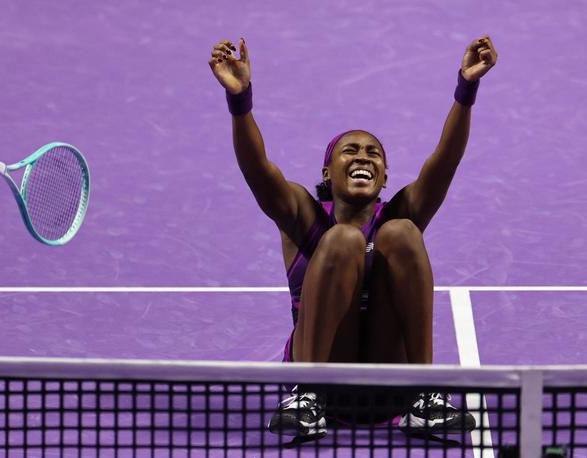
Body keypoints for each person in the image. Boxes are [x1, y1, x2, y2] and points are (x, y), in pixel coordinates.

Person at [208, 35, 498, 440]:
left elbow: (444, 162)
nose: (363, 157)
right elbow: (258, 168)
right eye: (350, 151)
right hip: (326, 382)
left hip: (388, 384)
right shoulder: (302, 215)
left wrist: (466, 89)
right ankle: (306, 396)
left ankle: (424, 395)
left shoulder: (398, 214)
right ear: (327, 172)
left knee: (402, 233)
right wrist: (240, 102)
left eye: (373, 153)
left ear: (384, 177)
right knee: (343, 240)